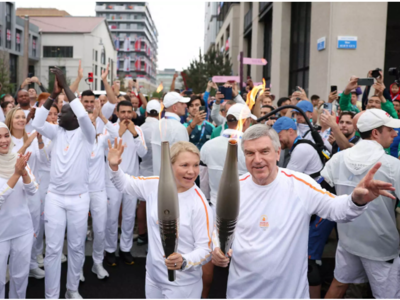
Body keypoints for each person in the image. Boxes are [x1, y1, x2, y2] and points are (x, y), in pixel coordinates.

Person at [211, 123, 396, 298]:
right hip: (242, 292)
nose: (257, 159)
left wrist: (356, 200)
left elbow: (336, 209)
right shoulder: (233, 189)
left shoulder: (299, 184)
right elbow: (217, 230)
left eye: (264, 151)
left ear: (277, 153)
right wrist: (216, 249)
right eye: (250, 153)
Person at [108, 139, 213, 299]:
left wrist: (184, 260)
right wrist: (114, 166)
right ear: (169, 166)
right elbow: (125, 185)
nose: (192, 171)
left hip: (182, 284)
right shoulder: (154, 185)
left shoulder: (199, 203)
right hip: (153, 276)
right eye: (184, 165)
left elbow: (206, 250)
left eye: (196, 165)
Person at [322, 109, 400, 299]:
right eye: (390, 129)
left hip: (348, 240)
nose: (395, 133)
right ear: (375, 133)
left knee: (338, 285)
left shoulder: (338, 158)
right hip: (381, 246)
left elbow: (323, 190)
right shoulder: (391, 165)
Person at [32, 67, 96, 299]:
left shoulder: (87, 133)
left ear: (75, 118)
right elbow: (38, 123)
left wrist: (67, 88)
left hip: (80, 198)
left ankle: (71, 290)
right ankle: (51, 295)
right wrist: (52, 94)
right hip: (55, 198)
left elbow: (80, 112)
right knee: (53, 249)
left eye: (64, 112)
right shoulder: (56, 131)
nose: (59, 116)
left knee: (77, 247)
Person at [5, 107, 48, 280]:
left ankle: (31, 264)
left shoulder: (31, 135)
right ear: (10, 120)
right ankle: (10, 266)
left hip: (32, 189)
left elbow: (44, 162)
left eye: (23, 117)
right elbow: (12, 160)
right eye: (17, 117)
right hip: (13, 192)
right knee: (14, 230)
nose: (21, 120)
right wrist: (27, 144)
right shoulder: (5, 138)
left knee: (34, 229)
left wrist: (38, 142)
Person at [104, 100, 147, 266]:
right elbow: (104, 151)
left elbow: (143, 152)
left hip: (131, 179)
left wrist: (134, 134)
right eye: (123, 112)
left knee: (129, 216)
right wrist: (119, 134)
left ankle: (125, 249)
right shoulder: (110, 128)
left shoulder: (138, 130)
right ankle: (109, 250)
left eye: (129, 112)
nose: (126, 116)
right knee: (112, 216)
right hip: (112, 179)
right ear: (117, 112)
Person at [0, 122, 38, 299]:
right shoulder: (17, 165)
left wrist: (23, 173)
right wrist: (16, 174)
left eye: (6, 136)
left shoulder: (19, 159)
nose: (4, 140)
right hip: (1, 232)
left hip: (22, 229)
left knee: (20, 277)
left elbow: (32, 190)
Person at [83, 99, 118, 280]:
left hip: (98, 190)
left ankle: (97, 263)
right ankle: (78, 267)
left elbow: (115, 133)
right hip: (79, 192)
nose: (90, 124)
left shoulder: (101, 139)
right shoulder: (76, 140)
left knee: (100, 228)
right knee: (79, 231)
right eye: (86, 122)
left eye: (92, 122)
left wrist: (101, 116)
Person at [151, 92, 190, 175]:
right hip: (173, 180)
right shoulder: (179, 128)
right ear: (174, 107)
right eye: (182, 103)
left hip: (158, 177)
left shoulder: (157, 124)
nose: (185, 106)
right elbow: (184, 157)